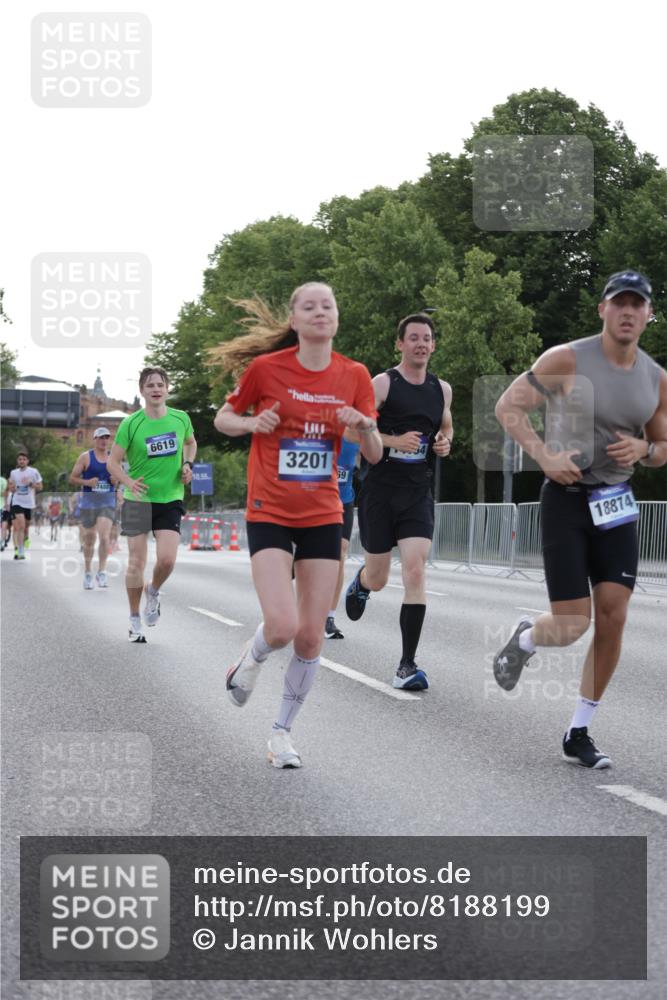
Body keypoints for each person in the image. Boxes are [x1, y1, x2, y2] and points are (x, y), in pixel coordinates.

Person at [493, 270, 667, 768]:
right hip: (566, 499)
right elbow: (510, 408)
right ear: (603, 310)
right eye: (620, 303)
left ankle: (579, 730)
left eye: (639, 304)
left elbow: (662, 449)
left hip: (616, 503)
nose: (629, 312)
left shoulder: (656, 379)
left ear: (650, 314)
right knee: (572, 624)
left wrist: (646, 447)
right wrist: (544, 455)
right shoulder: (566, 358)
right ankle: (526, 639)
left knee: (613, 616)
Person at [213, 282, 382, 769]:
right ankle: (251, 658)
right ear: (295, 319)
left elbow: (374, 455)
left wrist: (365, 426)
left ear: (336, 316)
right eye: (308, 306)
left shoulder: (354, 375)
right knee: (283, 627)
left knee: (310, 637)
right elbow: (225, 417)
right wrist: (250, 425)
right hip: (268, 509)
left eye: (327, 305)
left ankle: (281, 734)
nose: (319, 312)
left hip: (322, 514)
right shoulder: (267, 369)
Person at [344, 313, 453, 690]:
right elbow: (351, 430)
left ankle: (407, 665)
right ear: (400, 344)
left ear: (433, 345)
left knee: (415, 571)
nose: (421, 344)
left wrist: (444, 442)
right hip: (380, 490)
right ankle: (360, 582)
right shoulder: (383, 384)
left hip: (417, 492)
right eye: (413, 338)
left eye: (427, 338)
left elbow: (446, 426)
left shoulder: (443, 389)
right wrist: (392, 442)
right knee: (378, 577)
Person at [107, 368, 196, 642]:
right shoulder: (131, 424)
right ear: (141, 391)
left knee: (167, 560)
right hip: (137, 500)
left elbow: (190, 444)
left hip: (170, 498)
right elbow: (113, 462)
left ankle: (153, 591)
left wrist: (187, 464)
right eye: (150, 385)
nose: (156, 389)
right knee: (136, 561)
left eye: (160, 385)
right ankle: (135, 620)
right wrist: (128, 482)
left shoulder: (181, 418)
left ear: (167, 389)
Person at [69, 427, 117, 589]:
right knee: (89, 538)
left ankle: (102, 572)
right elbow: (73, 478)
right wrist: (87, 483)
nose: (104, 441)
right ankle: (88, 572)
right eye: (101, 438)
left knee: (104, 537)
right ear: (95, 439)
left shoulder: (113, 458)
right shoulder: (85, 457)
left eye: (107, 438)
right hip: (89, 503)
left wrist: (114, 480)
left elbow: (120, 478)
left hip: (107, 502)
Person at [324, 430, 361, 639]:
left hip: (344, 500)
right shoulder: (322, 429)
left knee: (341, 554)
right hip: (317, 499)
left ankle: (329, 617)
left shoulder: (356, 432)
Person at [7, 453, 43, 560]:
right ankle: (20, 550)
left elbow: (40, 487)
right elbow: (11, 486)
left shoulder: (34, 472)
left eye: (24, 459)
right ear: (17, 461)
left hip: (29, 503)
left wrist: (30, 484)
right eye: (19, 459)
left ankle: (25, 539)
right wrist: (12, 487)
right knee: (20, 526)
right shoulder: (13, 473)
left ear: (27, 461)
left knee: (26, 527)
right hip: (17, 502)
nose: (22, 461)